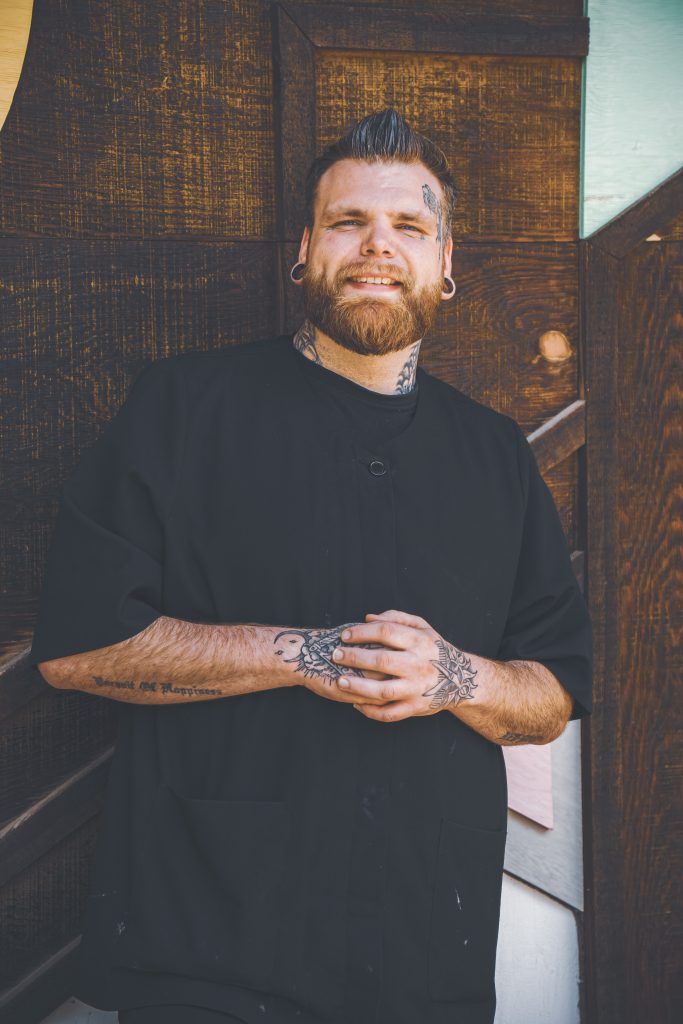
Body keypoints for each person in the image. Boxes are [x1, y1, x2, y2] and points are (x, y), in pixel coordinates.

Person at [29, 108, 592, 1024]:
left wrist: (453, 676)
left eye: (409, 226)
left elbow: (552, 695)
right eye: (347, 222)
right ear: (303, 250)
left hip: (426, 962)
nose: (377, 246)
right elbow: (78, 648)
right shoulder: (184, 407)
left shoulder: (495, 454)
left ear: (446, 265)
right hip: (208, 954)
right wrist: (307, 654)